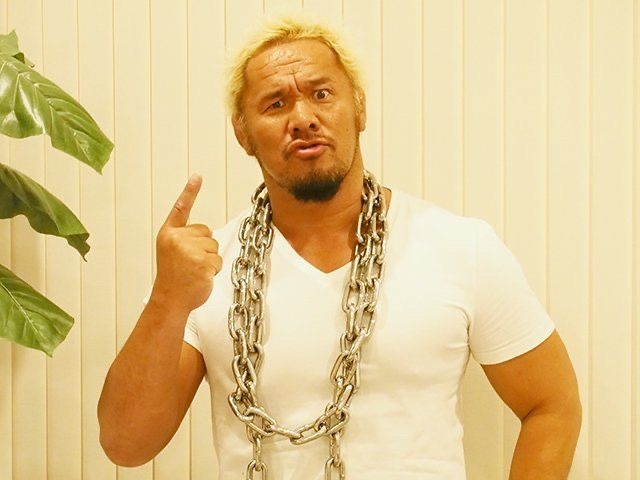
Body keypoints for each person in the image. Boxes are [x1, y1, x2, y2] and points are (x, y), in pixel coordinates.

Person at [98, 17, 582, 479]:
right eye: (275, 104)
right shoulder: (207, 270)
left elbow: (551, 406)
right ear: (242, 133)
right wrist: (167, 299)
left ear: (360, 108)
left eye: (322, 94)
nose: (303, 118)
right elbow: (126, 443)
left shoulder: (460, 247)